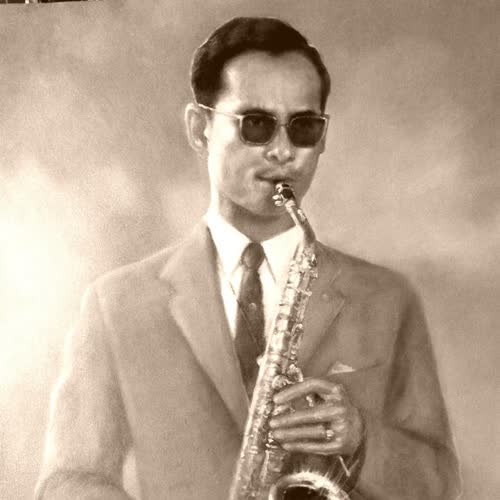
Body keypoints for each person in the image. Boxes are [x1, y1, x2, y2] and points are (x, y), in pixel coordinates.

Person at [35, 17, 460, 500]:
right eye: (256, 124)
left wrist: (361, 436)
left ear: (323, 138)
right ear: (199, 129)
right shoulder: (116, 303)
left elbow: (442, 484)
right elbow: (66, 482)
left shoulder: (387, 298)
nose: (282, 152)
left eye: (303, 128)